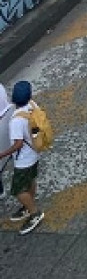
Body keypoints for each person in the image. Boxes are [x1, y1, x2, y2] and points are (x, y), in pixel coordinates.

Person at [0, 81, 45, 234]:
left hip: (23, 160)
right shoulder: (32, 105)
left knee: (18, 190)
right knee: (30, 180)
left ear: (13, 99)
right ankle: (28, 206)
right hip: (34, 153)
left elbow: (18, 144)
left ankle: (34, 213)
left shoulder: (16, 121)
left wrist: (2, 154)